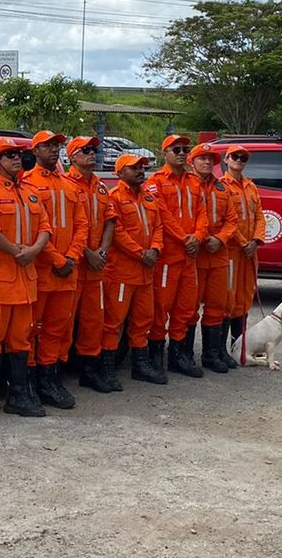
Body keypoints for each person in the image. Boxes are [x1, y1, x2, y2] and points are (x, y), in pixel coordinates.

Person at [0, 138, 52, 421]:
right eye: (9, 155)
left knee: (21, 340)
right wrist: (18, 251)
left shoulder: (30, 191)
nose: (17, 158)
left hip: (24, 278)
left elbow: (45, 226)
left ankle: (18, 396)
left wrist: (34, 250)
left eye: (18, 154)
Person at [21, 130, 89, 409]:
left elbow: (82, 224)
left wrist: (71, 256)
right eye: (47, 146)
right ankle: (28, 382)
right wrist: (57, 260)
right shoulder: (27, 183)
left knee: (57, 328)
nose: (53, 150)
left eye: (56, 146)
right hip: (41, 271)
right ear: (35, 151)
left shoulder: (69, 184)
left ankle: (49, 379)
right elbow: (34, 229)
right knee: (30, 329)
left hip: (67, 271)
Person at [92, 153, 165, 390]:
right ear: (120, 173)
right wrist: (140, 253)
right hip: (122, 272)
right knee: (113, 322)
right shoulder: (114, 198)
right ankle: (107, 369)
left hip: (145, 272)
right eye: (134, 168)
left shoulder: (149, 198)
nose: (140, 171)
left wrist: (154, 249)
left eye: (142, 167)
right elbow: (117, 233)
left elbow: (158, 227)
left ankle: (140, 366)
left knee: (143, 319)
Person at [145, 133, 207, 379]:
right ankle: (155, 357)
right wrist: (185, 238)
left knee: (186, 308)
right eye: (176, 149)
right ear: (165, 153)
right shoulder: (157, 181)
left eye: (184, 149)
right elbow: (162, 215)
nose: (181, 153)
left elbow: (203, 213)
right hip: (168, 258)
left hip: (190, 256)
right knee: (161, 308)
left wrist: (198, 237)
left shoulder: (194, 181)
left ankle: (178, 356)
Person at [64, 136, 116, 389]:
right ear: (72, 157)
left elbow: (110, 220)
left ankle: (90, 370)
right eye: (85, 150)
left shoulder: (101, 186)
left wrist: (102, 252)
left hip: (96, 266)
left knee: (94, 320)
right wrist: (88, 253)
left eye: (93, 150)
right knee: (63, 321)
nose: (91, 154)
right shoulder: (64, 185)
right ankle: (54, 373)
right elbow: (66, 227)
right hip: (75, 264)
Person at [188, 142, 241, 374]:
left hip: (219, 254)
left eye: (211, 159)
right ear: (192, 162)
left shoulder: (221, 189)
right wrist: (202, 239)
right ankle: (184, 355)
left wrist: (219, 239)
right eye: (202, 158)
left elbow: (232, 220)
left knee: (217, 306)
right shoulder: (187, 186)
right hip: (195, 255)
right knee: (189, 308)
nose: (207, 162)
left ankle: (211, 355)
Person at [222, 144, 267, 366]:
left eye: (243, 157)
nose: (239, 160)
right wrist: (242, 242)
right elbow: (226, 220)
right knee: (227, 298)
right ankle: (220, 350)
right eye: (235, 156)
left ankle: (239, 347)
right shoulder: (222, 187)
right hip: (231, 251)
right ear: (226, 159)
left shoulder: (251, 187)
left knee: (244, 299)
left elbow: (259, 216)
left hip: (249, 252)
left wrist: (256, 241)